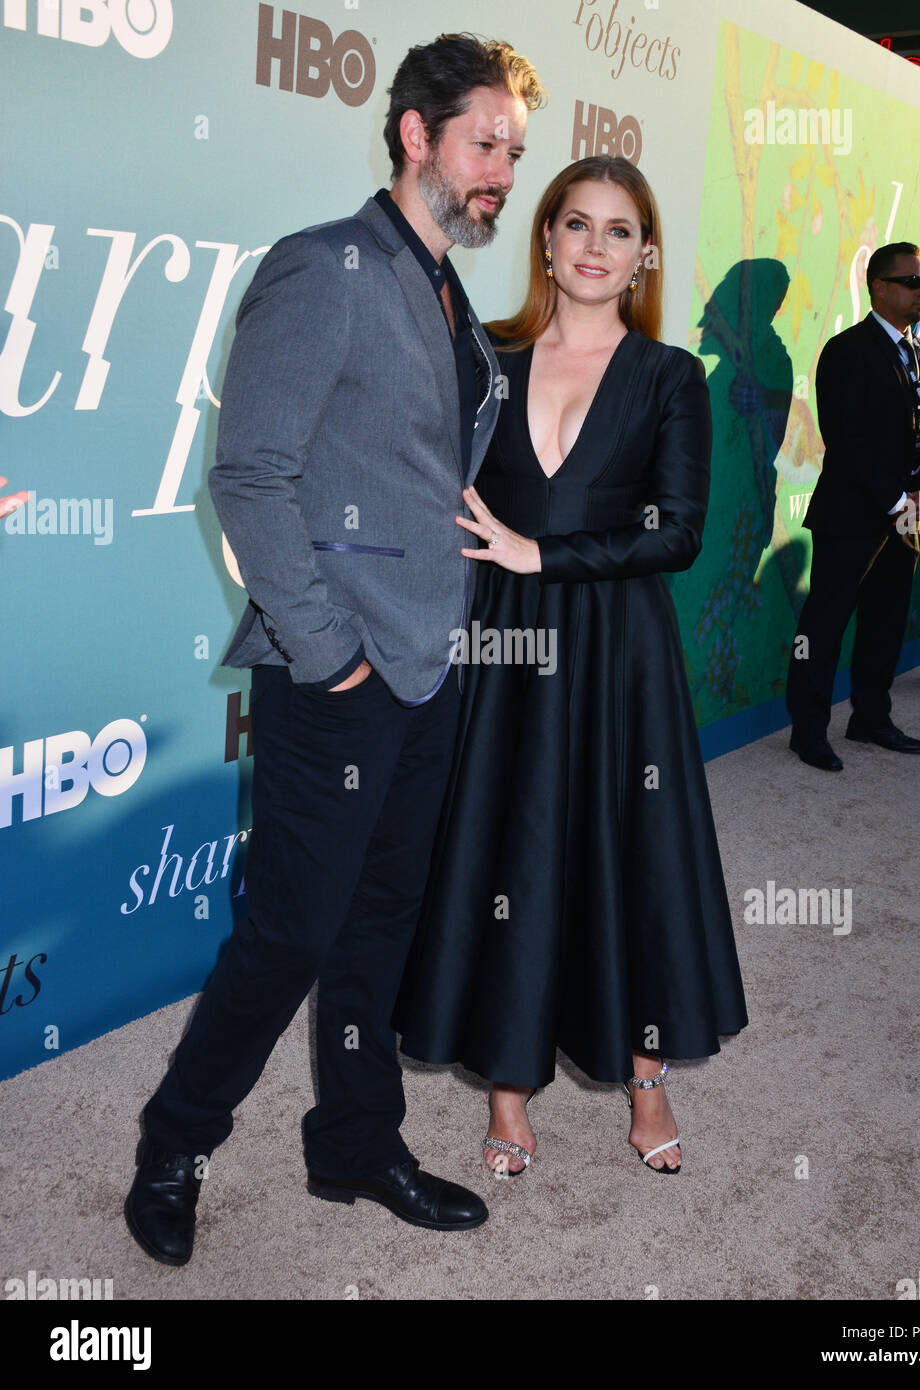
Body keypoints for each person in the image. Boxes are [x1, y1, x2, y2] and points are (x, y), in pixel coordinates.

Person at [125, 34, 545, 1264]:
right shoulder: (326, 267)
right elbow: (249, 476)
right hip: (339, 675)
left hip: (429, 666)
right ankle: (175, 1139)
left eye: (513, 153)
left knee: (379, 926)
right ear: (415, 134)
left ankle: (355, 1143)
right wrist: (330, 658)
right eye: (483, 145)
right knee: (293, 933)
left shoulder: (442, 286)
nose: (500, 175)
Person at [395, 156, 748, 1176]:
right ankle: (509, 1087)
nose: (596, 246)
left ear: (643, 256)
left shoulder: (669, 375)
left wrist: (540, 553)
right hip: (504, 644)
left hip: (616, 650)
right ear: (545, 238)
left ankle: (646, 1079)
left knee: (628, 853)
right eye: (577, 224)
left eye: (619, 230)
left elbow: (677, 534)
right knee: (513, 850)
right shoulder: (486, 358)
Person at [786, 242, 920, 772]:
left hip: (905, 520)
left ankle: (871, 718)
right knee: (824, 626)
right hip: (851, 516)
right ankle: (807, 731)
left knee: (886, 622)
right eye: (910, 282)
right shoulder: (846, 351)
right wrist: (896, 499)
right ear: (879, 287)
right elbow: (846, 438)